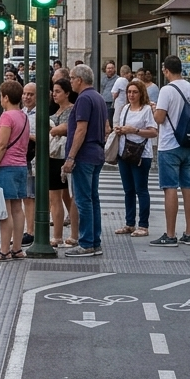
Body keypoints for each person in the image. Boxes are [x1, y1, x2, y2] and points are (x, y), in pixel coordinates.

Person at [151, 56, 190, 247]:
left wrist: (155, 109)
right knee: (188, 186)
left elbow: (160, 118)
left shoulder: (167, 90)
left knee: (170, 188)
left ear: (166, 70)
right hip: (189, 143)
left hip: (170, 144)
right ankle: (189, 232)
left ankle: (170, 234)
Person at [61, 64, 107, 257]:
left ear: (79, 80)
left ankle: (87, 242)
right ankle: (94, 241)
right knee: (92, 198)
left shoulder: (84, 99)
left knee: (82, 199)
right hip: (96, 152)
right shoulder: (98, 97)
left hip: (84, 154)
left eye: (71, 78)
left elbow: (81, 129)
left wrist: (71, 157)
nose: (70, 81)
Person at [0, 80, 29, 262]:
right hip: (21, 166)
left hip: (7, 166)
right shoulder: (24, 116)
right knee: (18, 209)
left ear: (6, 97)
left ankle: (4, 250)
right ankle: (17, 248)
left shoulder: (7, 117)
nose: (0, 100)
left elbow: (2, 145)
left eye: (1, 97)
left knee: (6, 211)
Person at [113, 79, 156, 237]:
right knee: (128, 190)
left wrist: (135, 130)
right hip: (124, 152)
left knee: (141, 189)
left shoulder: (146, 110)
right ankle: (129, 223)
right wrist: (120, 130)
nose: (131, 95)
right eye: (129, 92)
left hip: (141, 153)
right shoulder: (125, 108)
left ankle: (143, 225)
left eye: (134, 92)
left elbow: (153, 131)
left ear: (141, 93)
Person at [48, 79, 79, 247]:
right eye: (54, 91)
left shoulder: (71, 110)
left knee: (65, 196)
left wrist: (56, 130)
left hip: (64, 155)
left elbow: (69, 129)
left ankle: (69, 234)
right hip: (53, 155)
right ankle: (60, 235)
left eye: (58, 91)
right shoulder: (55, 110)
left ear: (67, 93)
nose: (54, 94)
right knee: (57, 197)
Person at [21, 82, 39, 246]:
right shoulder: (22, 112)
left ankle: (31, 231)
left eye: (30, 94)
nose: (26, 97)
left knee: (30, 196)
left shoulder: (40, 115)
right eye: (25, 94)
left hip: (35, 158)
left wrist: (27, 136)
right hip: (22, 157)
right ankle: (29, 229)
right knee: (26, 195)